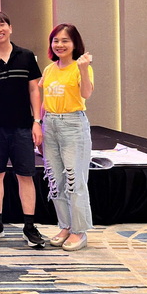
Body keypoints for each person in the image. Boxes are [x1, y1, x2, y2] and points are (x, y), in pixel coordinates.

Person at [0, 11, 45, 247]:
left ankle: (29, 226)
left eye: (2, 24)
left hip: (22, 126)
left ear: (10, 28)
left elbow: (34, 90)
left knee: (26, 175)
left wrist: (37, 121)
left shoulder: (26, 56)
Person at [40, 23, 94, 251]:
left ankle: (79, 231)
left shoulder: (81, 67)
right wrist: (39, 125)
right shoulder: (49, 69)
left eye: (65, 41)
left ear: (74, 44)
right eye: (56, 40)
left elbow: (86, 93)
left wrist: (84, 69)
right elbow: (45, 101)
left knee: (74, 179)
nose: (60, 45)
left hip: (73, 124)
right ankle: (65, 226)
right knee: (55, 180)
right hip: (50, 124)